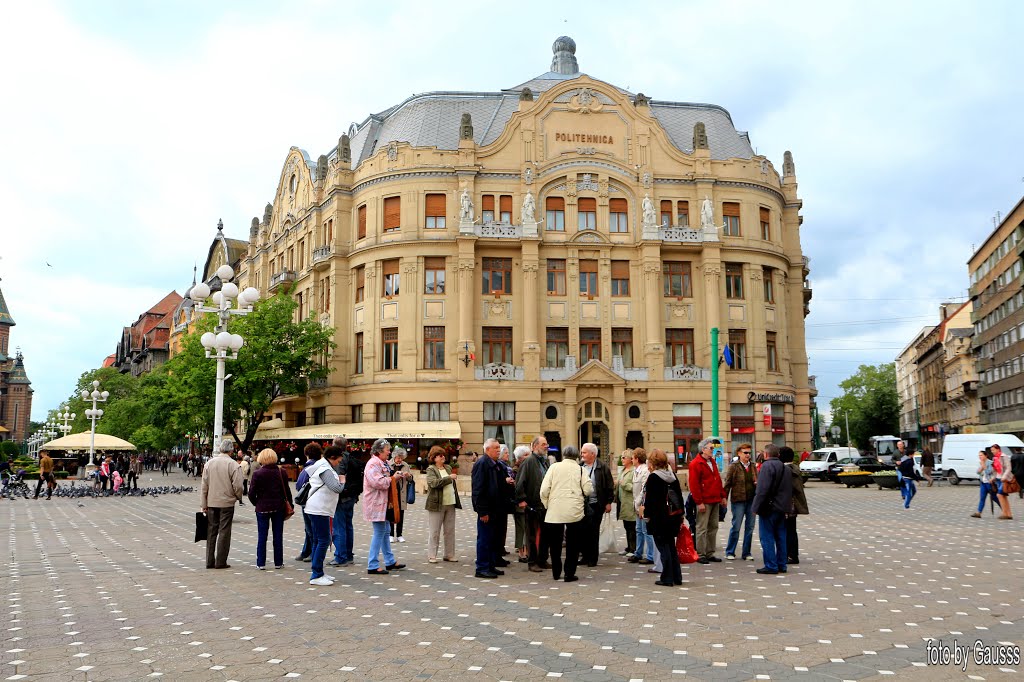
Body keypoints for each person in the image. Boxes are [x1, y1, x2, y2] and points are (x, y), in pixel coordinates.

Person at [539, 445, 592, 582]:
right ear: (577, 456)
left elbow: (544, 489)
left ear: (563, 455)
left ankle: (556, 572)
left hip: (555, 510)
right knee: (573, 543)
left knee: (555, 543)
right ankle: (569, 573)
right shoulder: (581, 470)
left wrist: (547, 504)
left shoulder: (554, 467)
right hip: (574, 510)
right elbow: (588, 490)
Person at [641, 448, 684, 587]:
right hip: (673, 517)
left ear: (652, 463)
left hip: (659, 519)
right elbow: (679, 496)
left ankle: (667, 577)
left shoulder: (654, 477)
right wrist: (681, 514)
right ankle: (677, 576)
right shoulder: (672, 475)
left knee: (663, 548)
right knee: (671, 546)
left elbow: (650, 500)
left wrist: (646, 515)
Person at [200, 440, 245, 570]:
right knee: (224, 531)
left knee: (211, 531)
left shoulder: (209, 464)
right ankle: (221, 561)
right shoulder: (233, 465)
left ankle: (209, 560)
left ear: (220, 449)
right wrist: (237, 497)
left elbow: (204, 486)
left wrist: (204, 503)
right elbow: (238, 486)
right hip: (227, 503)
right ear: (231, 451)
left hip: (211, 502)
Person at [472, 438, 512, 579]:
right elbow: (478, 489)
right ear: (487, 449)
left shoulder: (496, 464)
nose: (498, 450)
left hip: (496, 509)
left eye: (498, 447)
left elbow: (499, 485)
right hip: (487, 510)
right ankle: (482, 568)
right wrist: (482, 511)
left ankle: (490, 565)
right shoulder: (482, 464)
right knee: (484, 539)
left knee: (492, 539)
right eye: (495, 447)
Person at [304, 446, 345, 585]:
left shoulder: (321, 465)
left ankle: (318, 571)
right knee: (324, 540)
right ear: (332, 457)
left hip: (316, 508)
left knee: (318, 540)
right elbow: (337, 488)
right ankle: (316, 575)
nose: (339, 463)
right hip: (319, 508)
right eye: (338, 460)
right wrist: (342, 480)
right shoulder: (325, 469)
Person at [364, 438, 405, 575]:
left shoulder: (383, 462)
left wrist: (396, 475)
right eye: (387, 449)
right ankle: (372, 564)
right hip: (376, 502)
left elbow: (386, 477)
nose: (389, 452)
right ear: (380, 451)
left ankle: (389, 561)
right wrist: (393, 479)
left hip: (384, 503)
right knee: (380, 531)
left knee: (386, 530)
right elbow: (377, 482)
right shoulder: (372, 464)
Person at [248, 448, 293, 570]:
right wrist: (291, 505)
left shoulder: (257, 474)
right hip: (278, 507)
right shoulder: (281, 472)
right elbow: (287, 491)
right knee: (278, 535)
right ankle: (278, 562)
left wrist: (256, 503)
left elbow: (251, 493)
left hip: (262, 508)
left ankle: (261, 563)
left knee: (262, 536)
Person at [751, 443, 792, 575]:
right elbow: (788, 490)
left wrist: (755, 507)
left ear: (766, 454)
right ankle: (782, 564)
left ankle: (771, 565)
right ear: (778, 455)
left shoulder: (766, 466)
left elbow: (762, 490)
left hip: (769, 507)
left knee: (767, 536)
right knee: (781, 536)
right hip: (782, 507)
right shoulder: (785, 468)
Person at [516, 436, 552, 572]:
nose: (546, 446)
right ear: (535, 446)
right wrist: (521, 499)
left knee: (545, 534)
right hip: (532, 504)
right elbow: (520, 482)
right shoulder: (529, 462)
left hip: (544, 505)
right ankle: (532, 562)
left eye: (546, 444)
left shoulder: (545, 461)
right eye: (543, 444)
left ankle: (542, 559)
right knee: (532, 534)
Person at [689, 438, 725, 564]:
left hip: (715, 499)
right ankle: (700, 553)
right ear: (703, 449)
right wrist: (699, 502)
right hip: (704, 500)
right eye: (711, 448)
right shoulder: (696, 464)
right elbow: (694, 485)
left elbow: (718, 480)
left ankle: (710, 552)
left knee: (713, 527)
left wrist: (723, 496)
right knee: (702, 527)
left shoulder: (712, 462)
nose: (712, 450)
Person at [579, 442, 614, 566]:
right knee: (582, 531)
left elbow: (610, 486)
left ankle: (592, 558)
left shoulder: (602, 467)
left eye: (584, 452)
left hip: (596, 504)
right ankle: (584, 556)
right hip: (582, 505)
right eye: (582, 452)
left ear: (593, 454)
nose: (581, 454)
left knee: (593, 531)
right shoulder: (580, 466)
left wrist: (609, 502)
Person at [330, 437, 362, 568]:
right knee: (348, 526)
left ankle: (341, 556)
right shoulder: (351, 457)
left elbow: (338, 477)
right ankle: (349, 555)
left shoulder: (340, 460)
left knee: (339, 527)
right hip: (352, 496)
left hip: (342, 497)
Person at [723, 443, 757, 561]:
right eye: (745, 453)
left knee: (750, 527)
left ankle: (746, 552)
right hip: (738, 500)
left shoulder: (753, 466)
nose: (748, 455)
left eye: (749, 453)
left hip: (751, 500)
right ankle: (730, 551)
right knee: (736, 526)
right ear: (739, 453)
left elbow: (756, 480)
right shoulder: (734, 466)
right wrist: (724, 499)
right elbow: (727, 484)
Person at [425, 445, 459, 563]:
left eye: (443, 455)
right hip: (436, 504)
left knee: (450, 530)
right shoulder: (431, 469)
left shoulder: (448, 467)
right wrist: (449, 478)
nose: (443, 457)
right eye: (440, 455)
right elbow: (433, 483)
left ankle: (449, 554)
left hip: (450, 502)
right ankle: (432, 555)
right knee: (435, 531)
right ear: (434, 458)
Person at [778, 447, 807, 565]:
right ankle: (793, 554)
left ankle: (788, 555)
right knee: (792, 530)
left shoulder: (785, 470)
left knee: (785, 530)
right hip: (793, 504)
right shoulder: (795, 468)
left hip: (786, 504)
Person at [294, 443, 322, 563]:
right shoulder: (317, 466)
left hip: (309, 501)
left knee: (311, 529)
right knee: (309, 528)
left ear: (307, 454)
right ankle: (306, 550)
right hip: (314, 501)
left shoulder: (309, 467)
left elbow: (299, 484)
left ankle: (312, 552)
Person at [628, 448, 655, 565]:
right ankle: (638, 553)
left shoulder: (645, 471)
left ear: (637, 459)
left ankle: (650, 555)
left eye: (632, 458)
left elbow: (644, 489)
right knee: (638, 530)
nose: (631, 460)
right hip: (637, 504)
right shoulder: (636, 470)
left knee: (646, 530)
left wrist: (639, 504)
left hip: (642, 504)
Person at [615, 449, 637, 557]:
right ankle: (629, 547)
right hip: (622, 502)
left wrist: (623, 484)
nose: (622, 459)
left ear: (630, 459)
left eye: (624, 457)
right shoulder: (623, 470)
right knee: (626, 525)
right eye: (621, 457)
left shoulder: (633, 471)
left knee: (631, 526)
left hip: (629, 502)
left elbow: (635, 487)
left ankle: (633, 549)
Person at [512, 446, 531, 562]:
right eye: (527, 455)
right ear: (521, 457)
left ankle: (526, 550)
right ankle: (521, 552)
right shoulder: (516, 470)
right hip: (519, 504)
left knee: (526, 528)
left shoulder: (526, 467)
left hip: (526, 503)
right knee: (521, 529)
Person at [390, 447, 412, 543]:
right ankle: (390, 534)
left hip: (402, 492)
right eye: (398, 457)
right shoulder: (388, 464)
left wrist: (408, 476)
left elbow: (411, 479)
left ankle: (399, 534)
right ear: (394, 457)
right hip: (391, 491)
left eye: (402, 458)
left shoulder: (405, 465)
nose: (400, 460)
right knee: (391, 512)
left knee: (401, 513)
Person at [971, 450, 1000, 518]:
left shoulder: (990, 462)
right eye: (979, 455)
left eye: (981, 455)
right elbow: (977, 472)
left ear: (986, 455)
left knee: (994, 498)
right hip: (983, 483)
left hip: (990, 483)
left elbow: (989, 472)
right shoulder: (980, 462)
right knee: (982, 498)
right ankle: (979, 512)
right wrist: (981, 467)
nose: (980, 457)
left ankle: (1004, 509)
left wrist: (984, 465)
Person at [991, 443, 1014, 520]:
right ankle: (1009, 514)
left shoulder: (1004, 456)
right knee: (1003, 496)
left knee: (999, 495)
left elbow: (1008, 468)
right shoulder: (994, 458)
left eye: (993, 450)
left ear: (998, 449)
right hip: (998, 479)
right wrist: (993, 477)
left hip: (1004, 479)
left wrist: (1004, 477)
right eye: (991, 450)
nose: (992, 451)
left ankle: (1004, 513)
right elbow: (995, 470)